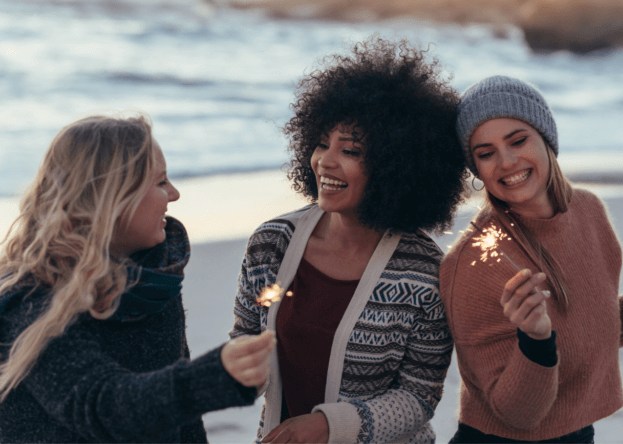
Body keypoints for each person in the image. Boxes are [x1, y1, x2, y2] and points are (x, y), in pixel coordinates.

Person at [440, 76, 623, 443]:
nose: (507, 161)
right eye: (486, 153)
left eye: (518, 140)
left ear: (546, 138)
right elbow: (516, 415)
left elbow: (594, 332)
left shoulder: (587, 211)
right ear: (476, 170)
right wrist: (535, 340)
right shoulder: (474, 261)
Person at [230, 37, 468, 444]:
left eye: (351, 150)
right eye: (322, 143)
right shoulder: (271, 244)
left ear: (397, 165)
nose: (326, 160)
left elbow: (418, 397)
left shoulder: (425, 274)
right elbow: (245, 341)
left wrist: (328, 427)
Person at [0, 115, 275, 443]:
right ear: (113, 199)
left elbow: (182, 424)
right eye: (161, 182)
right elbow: (104, 406)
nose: (173, 194)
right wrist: (215, 375)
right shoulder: (32, 300)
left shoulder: (155, 278)